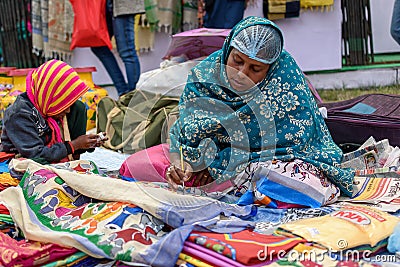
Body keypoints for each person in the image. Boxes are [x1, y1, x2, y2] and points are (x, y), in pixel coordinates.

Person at [120, 16, 354, 207]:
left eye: (255, 68)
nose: (242, 73)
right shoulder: (205, 76)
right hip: (209, 164)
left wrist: (221, 164)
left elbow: (296, 142)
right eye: (237, 60)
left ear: (270, 69)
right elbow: (187, 130)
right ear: (227, 51)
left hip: (268, 162)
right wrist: (185, 163)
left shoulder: (286, 82)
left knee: (300, 182)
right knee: (135, 165)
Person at [0, 59, 107, 163]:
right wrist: (74, 145)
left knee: (78, 107)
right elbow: (36, 155)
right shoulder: (19, 115)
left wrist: (88, 143)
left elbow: (74, 142)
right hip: (21, 160)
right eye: (64, 104)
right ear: (51, 96)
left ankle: (72, 158)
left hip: (54, 155)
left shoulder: (49, 106)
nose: (68, 110)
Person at [91, 0, 144, 96]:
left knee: (127, 50)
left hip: (123, 4)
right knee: (97, 45)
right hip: (102, 4)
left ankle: (133, 97)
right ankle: (124, 93)